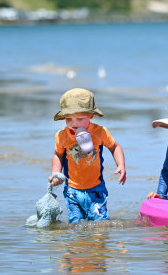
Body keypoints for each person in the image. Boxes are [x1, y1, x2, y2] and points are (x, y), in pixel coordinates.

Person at [49, 88, 126, 223]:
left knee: (100, 224)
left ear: (91, 116)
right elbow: (58, 155)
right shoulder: (62, 136)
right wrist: (56, 173)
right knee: (75, 224)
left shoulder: (99, 132)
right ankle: (79, 244)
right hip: (72, 190)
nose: (74, 123)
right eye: (68, 119)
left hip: (96, 188)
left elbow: (115, 147)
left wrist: (121, 165)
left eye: (79, 118)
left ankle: (97, 243)